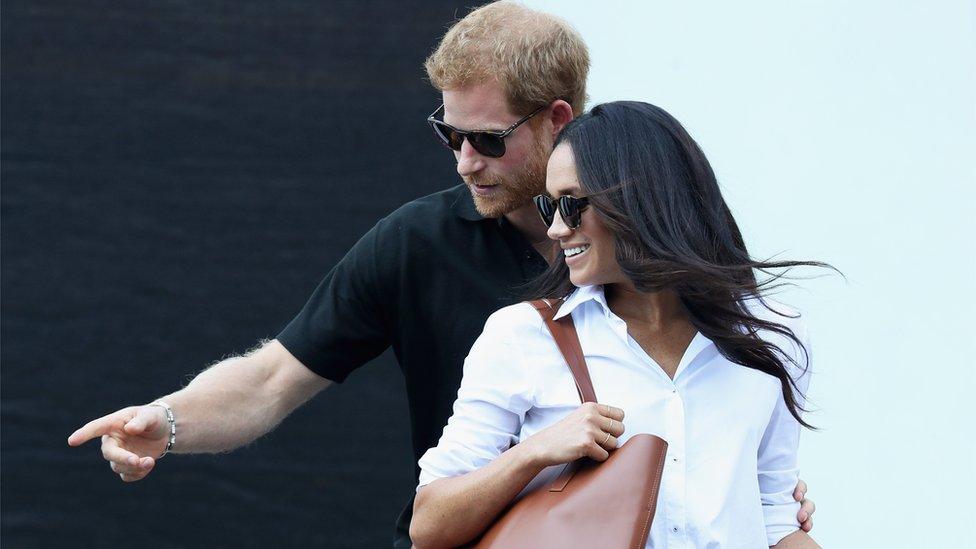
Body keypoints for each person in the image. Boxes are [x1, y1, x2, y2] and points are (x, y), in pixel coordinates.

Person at [65, 2, 816, 546]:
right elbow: (272, 379)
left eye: (487, 139)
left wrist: (742, 502)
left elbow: (756, 483)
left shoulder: (678, 274)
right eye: (447, 133)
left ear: (559, 118)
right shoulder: (419, 245)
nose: (464, 161)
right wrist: (166, 422)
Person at [410, 101, 825, 548]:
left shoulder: (769, 337)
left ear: (642, 199)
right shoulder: (521, 337)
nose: (556, 229)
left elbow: (775, 517)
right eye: (549, 207)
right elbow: (430, 523)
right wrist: (534, 453)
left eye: (571, 204)